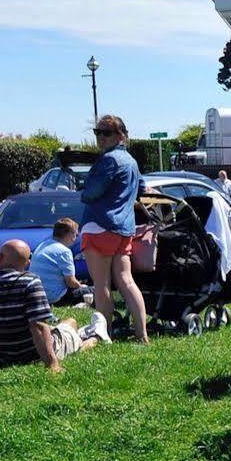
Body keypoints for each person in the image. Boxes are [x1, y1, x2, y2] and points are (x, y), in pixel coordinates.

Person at [0, 239, 107, 374]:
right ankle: (96, 336)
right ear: (26, 263)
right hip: (33, 354)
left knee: (64, 325)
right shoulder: (29, 282)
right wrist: (52, 364)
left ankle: (78, 333)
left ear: (0, 258)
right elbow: (38, 327)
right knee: (71, 323)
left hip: (1, 355)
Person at [79, 115, 150, 343]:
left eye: (105, 133)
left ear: (121, 135)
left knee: (101, 285)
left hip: (99, 226)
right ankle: (142, 334)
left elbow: (90, 193)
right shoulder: (131, 161)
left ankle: (105, 333)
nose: (100, 137)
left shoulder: (108, 161)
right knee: (127, 281)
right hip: (124, 229)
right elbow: (142, 188)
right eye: (97, 132)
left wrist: (85, 188)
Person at [29, 217, 88, 306]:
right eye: (75, 234)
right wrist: (81, 286)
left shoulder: (42, 245)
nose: (75, 238)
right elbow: (70, 282)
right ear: (69, 234)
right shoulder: (64, 251)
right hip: (54, 297)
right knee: (92, 290)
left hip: (37, 295)